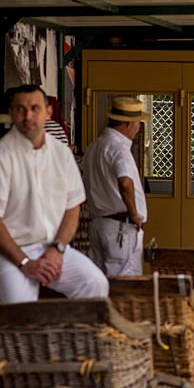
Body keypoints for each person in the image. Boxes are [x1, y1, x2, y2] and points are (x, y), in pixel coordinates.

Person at [0, 84, 108, 302]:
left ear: (48, 112)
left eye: (35, 108)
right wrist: (25, 263)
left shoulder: (61, 153)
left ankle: (71, 336)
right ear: (11, 113)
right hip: (8, 254)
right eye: (20, 109)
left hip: (51, 247)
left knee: (94, 283)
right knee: (22, 309)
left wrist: (57, 249)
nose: (28, 116)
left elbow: (72, 207)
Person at [81, 96, 149, 276]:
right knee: (124, 288)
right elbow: (125, 182)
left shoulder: (93, 147)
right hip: (120, 228)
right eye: (137, 123)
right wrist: (134, 215)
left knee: (101, 286)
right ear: (128, 124)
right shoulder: (119, 148)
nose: (138, 128)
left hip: (99, 224)